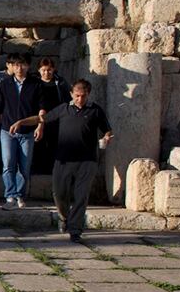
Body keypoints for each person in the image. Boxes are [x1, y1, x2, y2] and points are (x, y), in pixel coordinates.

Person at [9, 78, 112, 243]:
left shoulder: (95, 110)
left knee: (81, 196)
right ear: (71, 94)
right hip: (63, 159)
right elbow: (42, 118)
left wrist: (106, 138)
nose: (80, 99)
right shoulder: (63, 109)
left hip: (87, 161)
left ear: (88, 95)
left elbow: (107, 130)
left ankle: (75, 229)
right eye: (77, 96)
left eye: (83, 96)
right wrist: (21, 122)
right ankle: (64, 216)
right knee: (59, 193)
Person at [0, 54, 45, 209]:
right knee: (8, 164)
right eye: (16, 65)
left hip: (27, 131)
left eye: (23, 65)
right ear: (12, 67)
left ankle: (20, 195)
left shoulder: (36, 84)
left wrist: (41, 126)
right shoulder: (5, 84)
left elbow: (42, 108)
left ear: (28, 66)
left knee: (24, 166)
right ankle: (10, 196)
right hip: (7, 130)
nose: (20, 68)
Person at [32, 57, 71, 174]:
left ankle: (53, 171)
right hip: (38, 118)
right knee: (38, 144)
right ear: (39, 70)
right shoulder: (35, 83)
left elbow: (67, 100)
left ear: (53, 69)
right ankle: (38, 170)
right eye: (43, 70)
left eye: (49, 70)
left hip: (56, 119)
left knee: (55, 145)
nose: (46, 73)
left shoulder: (60, 83)